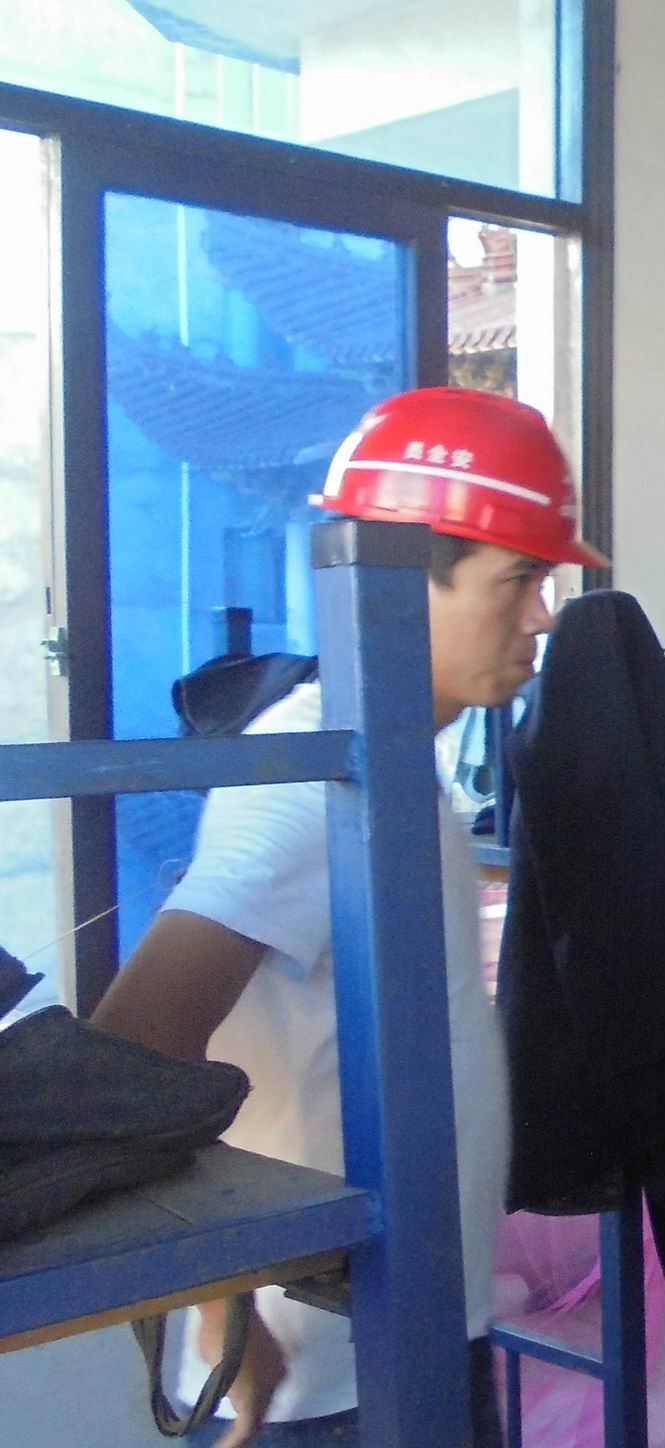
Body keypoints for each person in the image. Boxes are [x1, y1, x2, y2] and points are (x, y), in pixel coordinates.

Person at [91, 387, 606, 1448]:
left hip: (410, 1328)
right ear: (400, 577)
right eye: (518, 580)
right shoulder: (306, 786)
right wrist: (220, 1301)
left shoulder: (387, 759)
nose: (544, 616)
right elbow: (132, 1048)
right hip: (327, 1380)